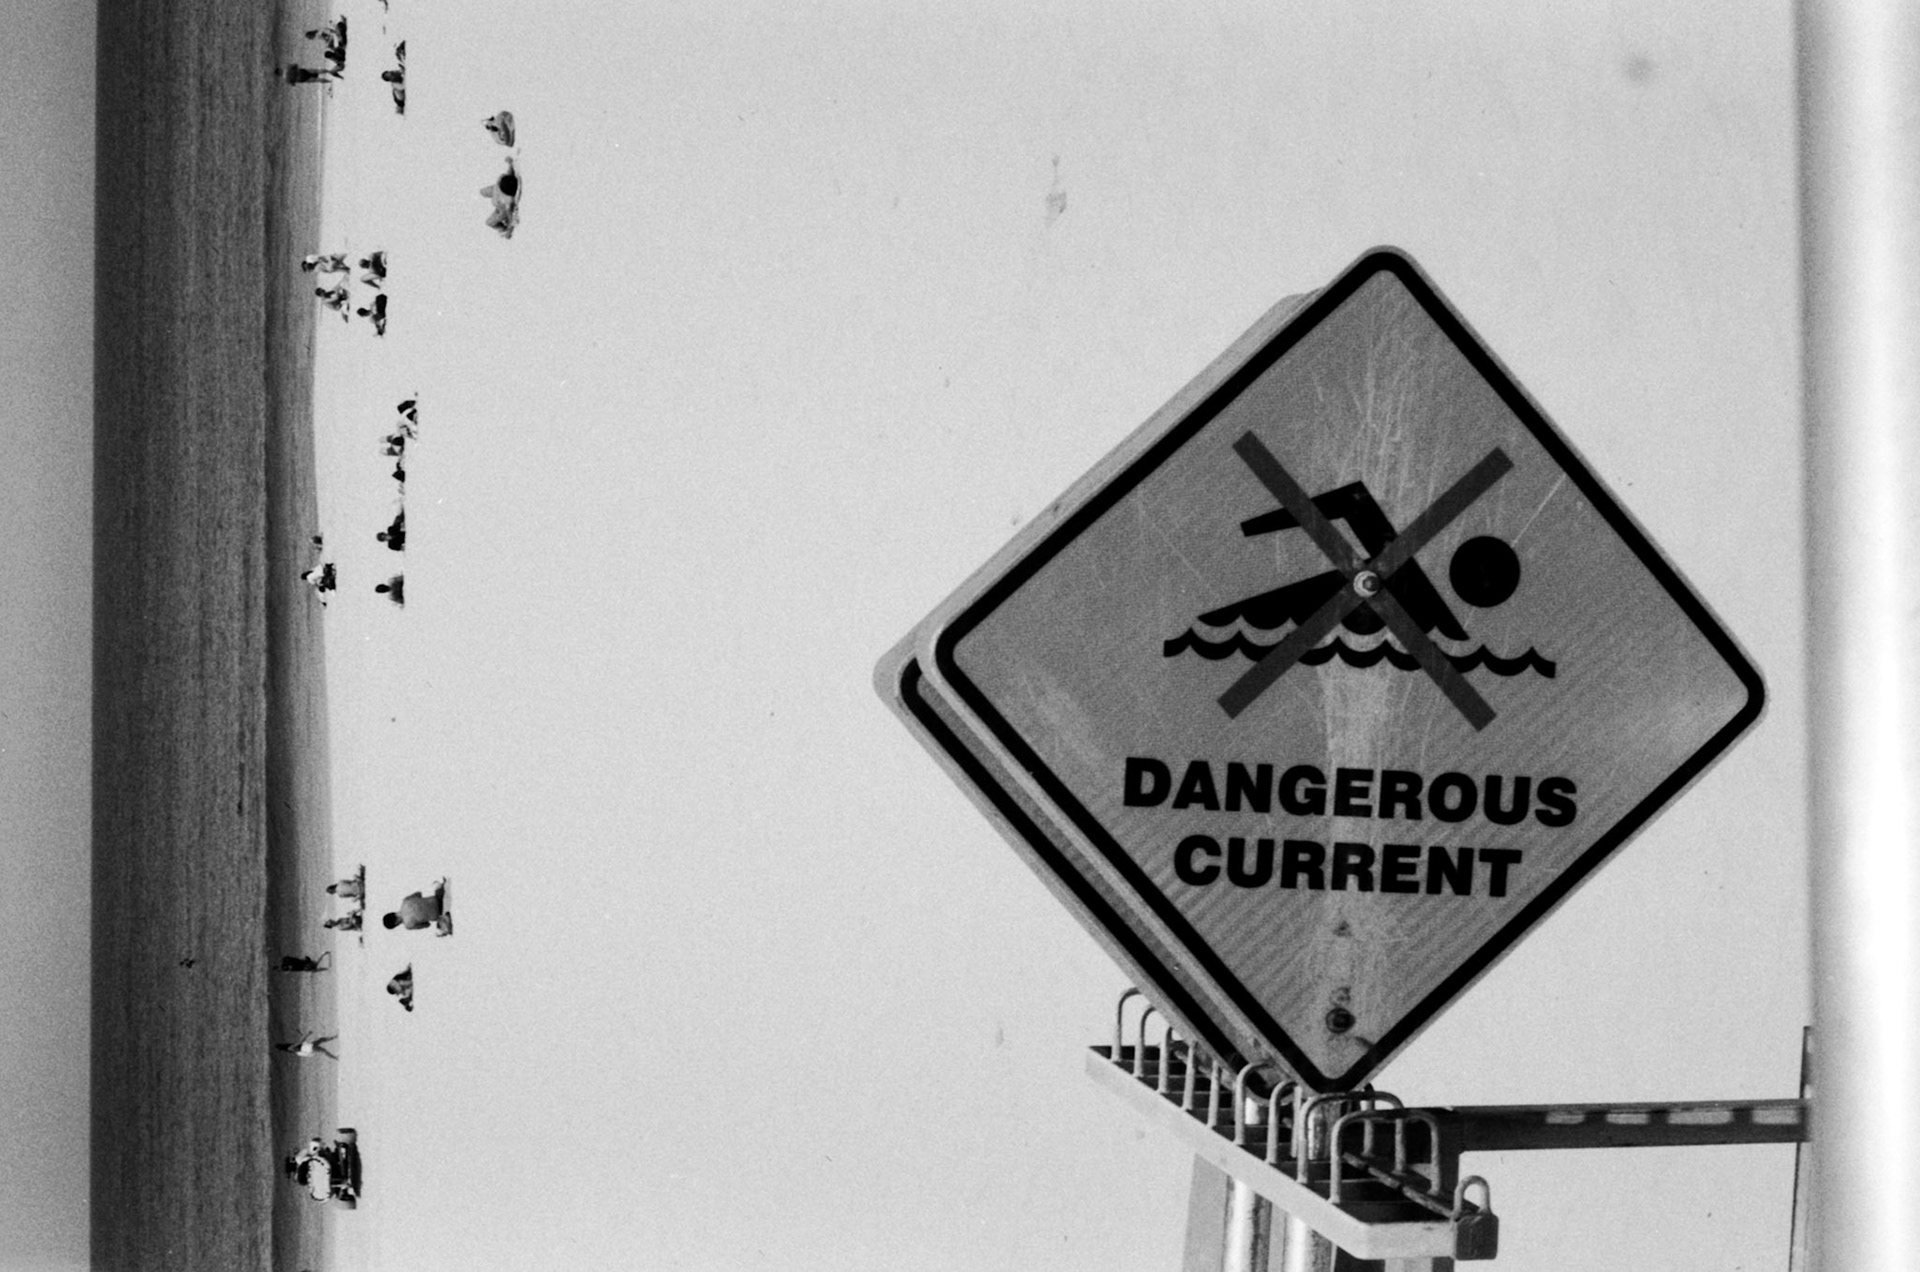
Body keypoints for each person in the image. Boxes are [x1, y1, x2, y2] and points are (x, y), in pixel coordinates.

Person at [383, 879, 450, 935]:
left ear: (396, 924)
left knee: (440, 929)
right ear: (392, 913)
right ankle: (441, 885)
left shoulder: (408, 925)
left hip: (439, 914)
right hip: (437, 899)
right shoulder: (405, 901)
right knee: (438, 889)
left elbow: (427, 925)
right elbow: (419, 893)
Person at [274, 1031, 339, 1060]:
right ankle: (335, 1058)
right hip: (309, 1047)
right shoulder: (290, 1048)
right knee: (323, 1050)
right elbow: (300, 1042)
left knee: (321, 1040)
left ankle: (335, 1037)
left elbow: (300, 1044)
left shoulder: (289, 1049)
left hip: (308, 1047)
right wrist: (307, 1034)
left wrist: (302, 1035)